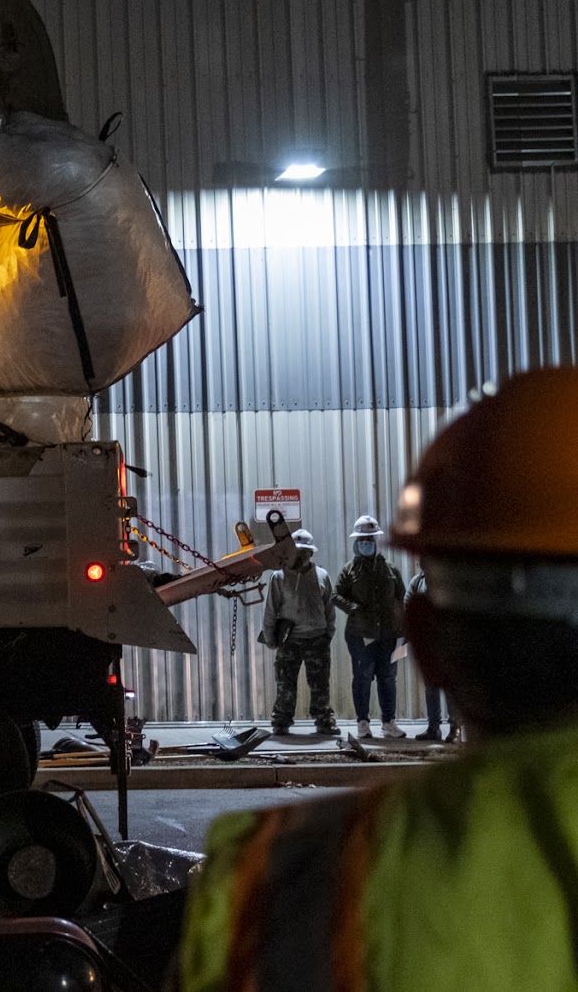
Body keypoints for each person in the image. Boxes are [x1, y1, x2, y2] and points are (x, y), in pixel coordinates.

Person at [179, 366, 578, 990]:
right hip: (317, 641)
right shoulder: (307, 578)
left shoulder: (282, 884)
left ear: (424, 642)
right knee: (313, 696)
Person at [333, 515, 408, 738]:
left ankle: (388, 723)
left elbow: (401, 598)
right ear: (357, 543)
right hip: (360, 635)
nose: (366, 543)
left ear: (376, 542)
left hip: (388, 635)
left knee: (387, 678)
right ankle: (363, 724)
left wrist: (404, 630)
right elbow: (335, 595)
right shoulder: (349, 570)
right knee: (363, 678)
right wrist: (352, 607)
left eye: (370, 539)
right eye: (362, 540)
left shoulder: (391, 570)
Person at [261, 529, 338, 736]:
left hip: (317, 638)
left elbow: (329, 608)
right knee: (285, 684)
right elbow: (271, 610)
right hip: (290, 641)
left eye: (305, 552)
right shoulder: (279, 577)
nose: (301, 556)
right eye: (297, 552)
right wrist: (270, 637)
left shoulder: (321, 575)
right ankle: (281, 721)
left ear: (311, 554)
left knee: (320, 684)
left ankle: (324, 720)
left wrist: (328, 633)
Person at [404, 569, 461, 743]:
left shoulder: (449, 577)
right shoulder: (417, 581)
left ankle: (455, 728)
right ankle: (433, 728)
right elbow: (408, 602)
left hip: (447, 640)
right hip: (428, 641)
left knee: (451, 688)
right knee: (431, 687)